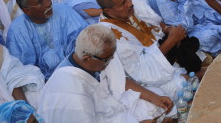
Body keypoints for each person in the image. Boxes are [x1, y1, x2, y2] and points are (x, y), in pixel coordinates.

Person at [38, 24, 174, 123]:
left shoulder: (97, 57)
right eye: (108, 58)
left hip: (113, 109)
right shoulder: (71, 95)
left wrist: (154, 97)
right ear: (87, 59)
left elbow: (119, 80)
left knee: (159, 103)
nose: (112, 60)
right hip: (101, 117)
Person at [97, 0, 193, 100]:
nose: (130, 3)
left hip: (163, 55)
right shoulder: (109, 37)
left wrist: (168, 30)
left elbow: (155, 22)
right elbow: (141, 71)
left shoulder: (132, 4)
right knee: (182, 84)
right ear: (109, 11)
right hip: (147, 78)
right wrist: (171, 41)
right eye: (123, 3)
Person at [5, 0, 87, 79]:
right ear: (27, 10)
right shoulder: (18, 30)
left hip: (78, 68)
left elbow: (85, 39)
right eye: (40, 3)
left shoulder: (64, 11)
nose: (48, 4)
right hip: (46, 82)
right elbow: (24, 69)